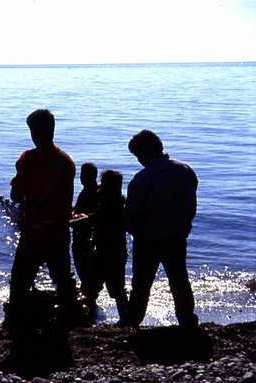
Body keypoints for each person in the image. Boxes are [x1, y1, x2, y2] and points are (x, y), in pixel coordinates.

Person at [6, 109, 85, 331]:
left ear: (33, 132)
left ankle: (15, 319)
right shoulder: (66, 161)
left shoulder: (28, 159)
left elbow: (16, 195)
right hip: (59, 230)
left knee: (21, 276)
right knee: (62, 276)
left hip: (34, 232)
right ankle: (72, 316)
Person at [120, 130, 199, 328]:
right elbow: (191, 206)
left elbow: (132, 215)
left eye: (137, 156)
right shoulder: (186, 170)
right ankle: (187, 318)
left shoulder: (142, 180)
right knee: (179, 279)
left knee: (141, 284)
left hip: (148, 239)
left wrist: (131, 229)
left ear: (143, 154)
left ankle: (133, 320)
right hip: (177, 236)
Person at [77, 170, 128, 319]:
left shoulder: (109, 203)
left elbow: (95, 218)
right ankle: (126, 319)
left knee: (89, 287)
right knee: (117, 289)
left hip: (105, 251)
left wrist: (74, 220)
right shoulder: (119, 201)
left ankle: (88, 317)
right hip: (117, 251)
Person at [71, 162, 100, 285]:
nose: (82, 178)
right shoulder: (87, 190)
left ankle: (88, 292)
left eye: (85, 175)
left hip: (86, 236)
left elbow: (91, 216)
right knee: (84, 267)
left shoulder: (94, 192)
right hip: (82, 234)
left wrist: (69, 222)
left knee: (85, 267)